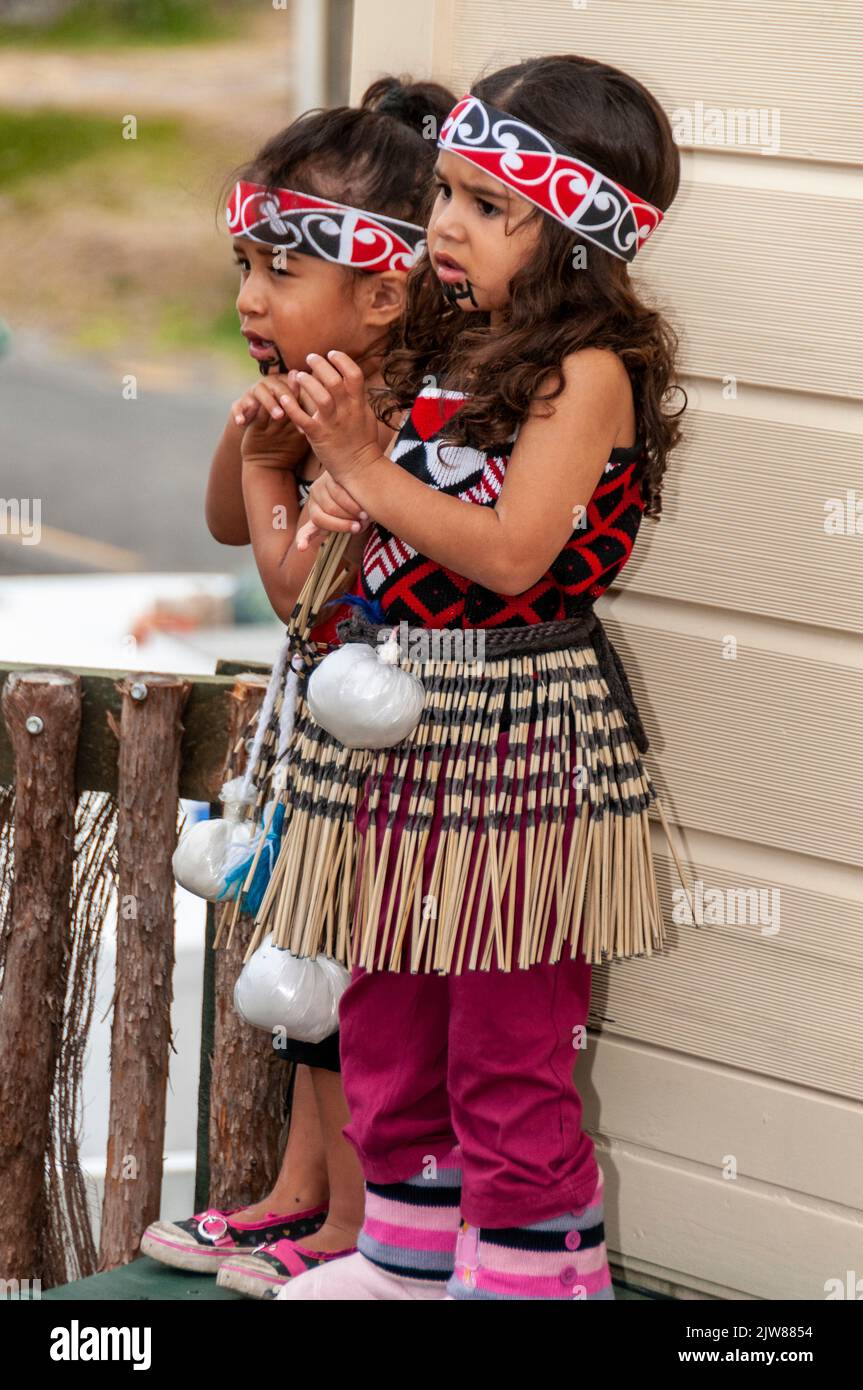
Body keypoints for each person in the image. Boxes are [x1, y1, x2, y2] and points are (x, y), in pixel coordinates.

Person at [263, 53, 687, 1301]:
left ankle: (532, 1275)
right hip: (392, 731)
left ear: (573, 236)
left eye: (486, 207)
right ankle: (403, 1253)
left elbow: (511, 558)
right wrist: (308, 453)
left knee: (508, 1033)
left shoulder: (582, 373)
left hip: (520, 738)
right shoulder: (450, 359)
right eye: (443, 195)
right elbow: (340, 552)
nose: (444, 227)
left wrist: (361, 457)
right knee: (392, 1013)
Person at [139, 73, 457, 1300]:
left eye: (278, 272)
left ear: (382, 290)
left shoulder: (381, 423)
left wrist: (291, 452)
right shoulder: (320, 395)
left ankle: (358, 1224)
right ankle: (295, 1191)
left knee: (354, 987)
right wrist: (254, 432)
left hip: (390, 742)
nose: (247, 298)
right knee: (305, 979)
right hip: (321, 742)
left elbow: (297, 590)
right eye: (244, 267)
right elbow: (230, 516)